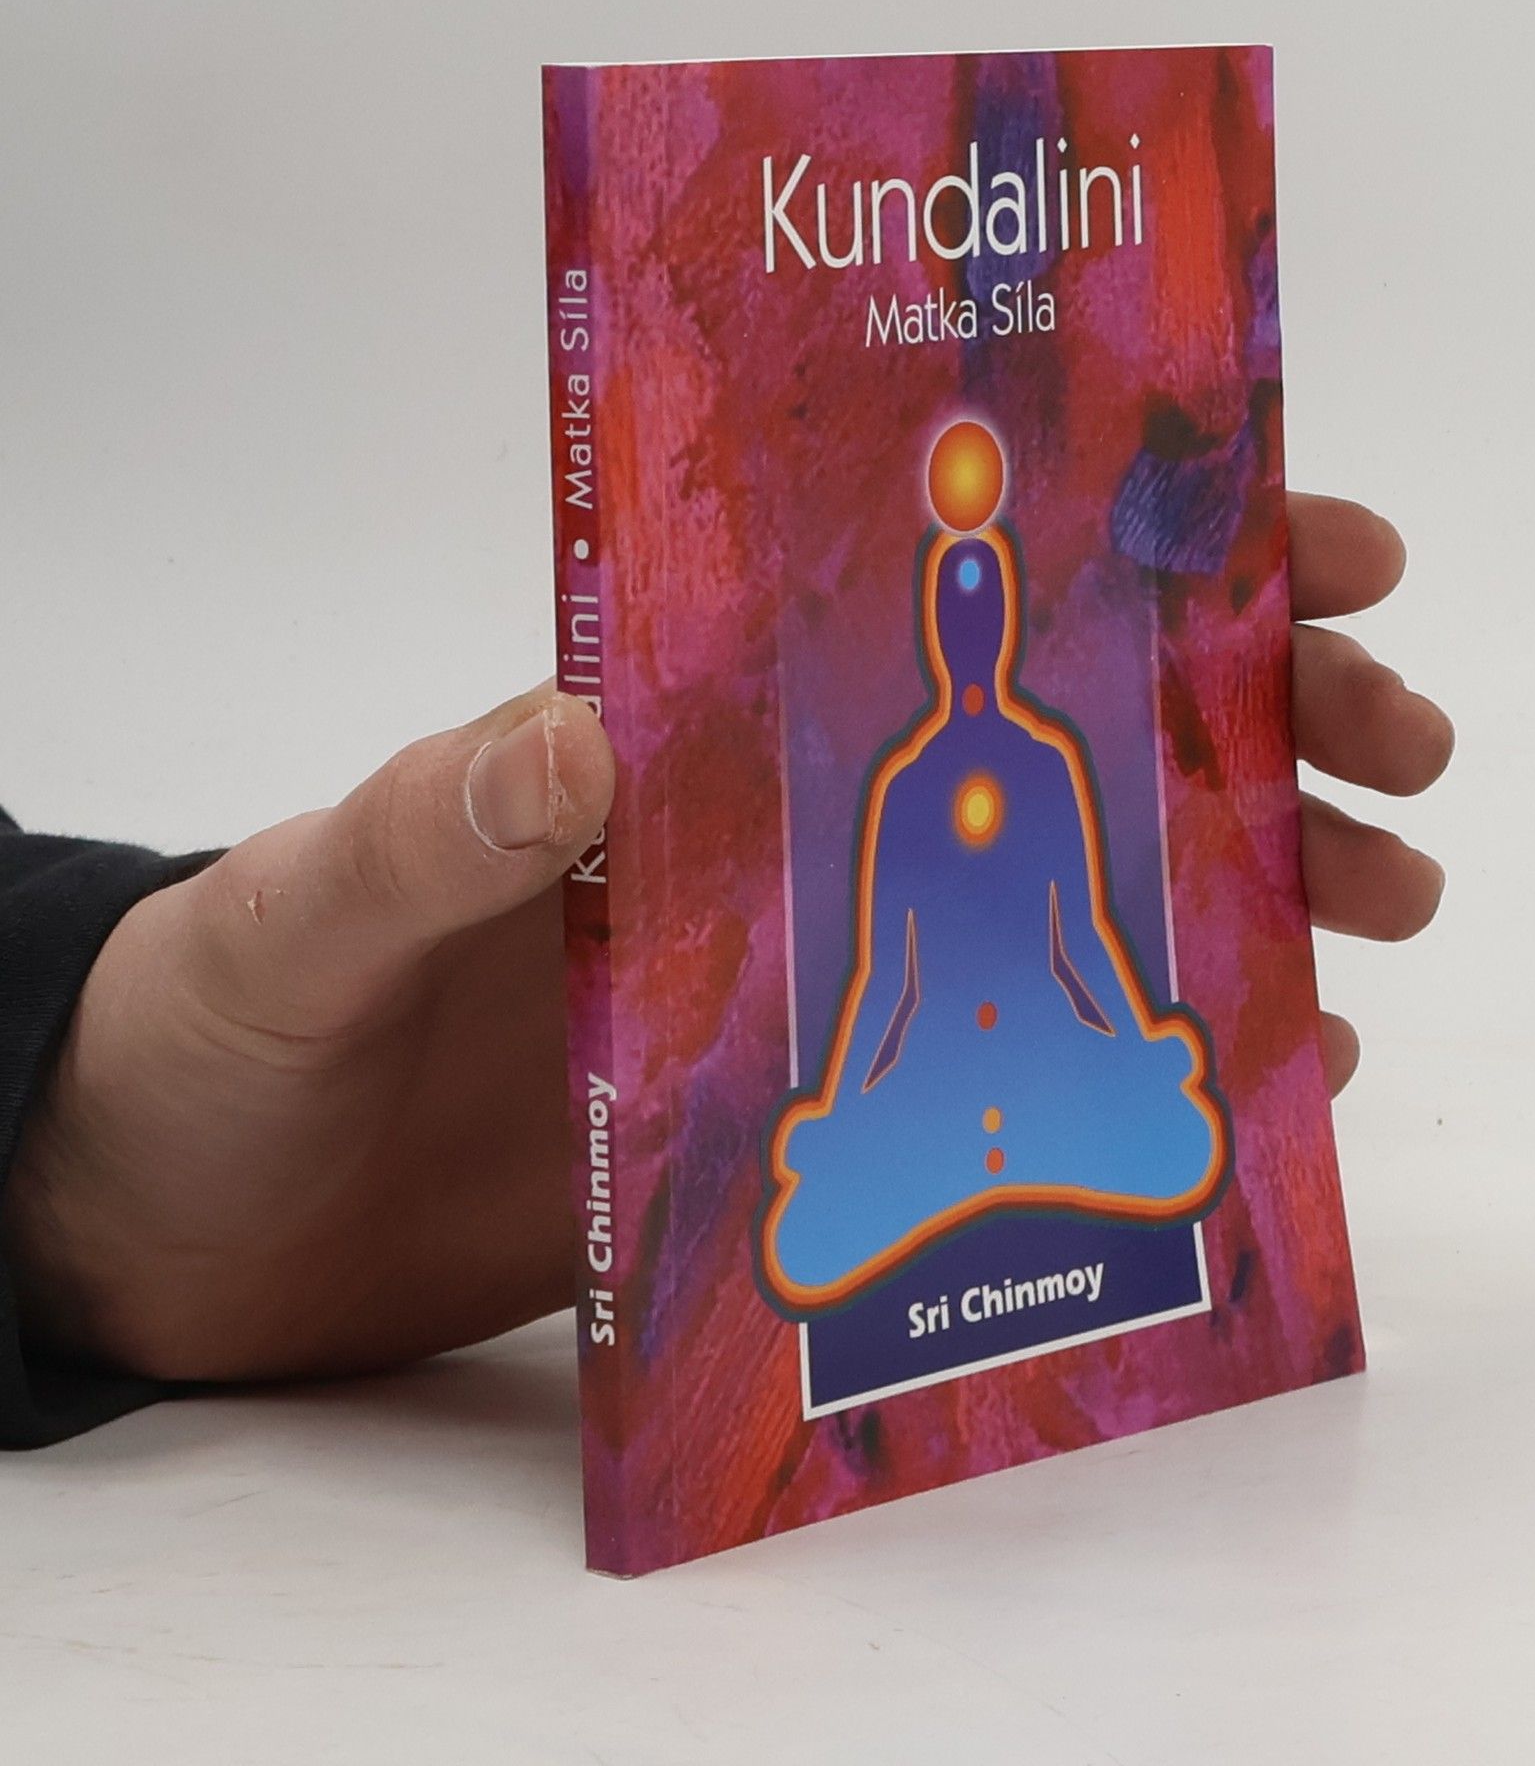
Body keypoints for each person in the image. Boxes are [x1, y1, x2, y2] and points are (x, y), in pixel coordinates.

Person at [0, 493, 1451, 1448]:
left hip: (1046, 1065)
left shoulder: (1046, 765)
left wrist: (1141, 1043)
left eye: (984, 611)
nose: (969, 632)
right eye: (950, 615)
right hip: (928, 1081)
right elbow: (880, 979)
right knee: (820, 1184)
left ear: (1001, 622)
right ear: (942, 629)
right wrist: (837, 1098)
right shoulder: (908, 787)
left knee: (1174, 1108)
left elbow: (1085, 951)